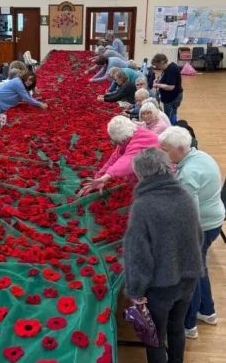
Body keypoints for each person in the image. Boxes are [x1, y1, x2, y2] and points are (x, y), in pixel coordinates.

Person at [123, 148, 204, 363]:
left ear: (140, 174)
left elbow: (138, 255)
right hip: (188, 280)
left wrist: (135, 290)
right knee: (176, 328)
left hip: (160, 287)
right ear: (167, 167)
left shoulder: (143, 206)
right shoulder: (185, 196)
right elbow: (199, 236)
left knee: (155, 339)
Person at [159, 127, 225, 339]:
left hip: (202, 225)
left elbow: (190, 216)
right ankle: (207, 311)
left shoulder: (188, 174)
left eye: (165, 149)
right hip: (214, 219)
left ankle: (189, 325)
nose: (162, 152)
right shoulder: (201, 156)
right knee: (200, 267)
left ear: (179, 149)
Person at [78, 116, 159, 196]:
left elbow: (128, 160)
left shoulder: (142, 138)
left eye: (116, 141)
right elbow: (115, 158)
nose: (116, 143)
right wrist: (99, 177)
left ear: (122, 139)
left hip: (158, 178)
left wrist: (107, 176)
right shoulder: (128, 136)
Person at [151, 53, 184, 125]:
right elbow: (165, 79)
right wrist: (158, 81)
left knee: (169, 117)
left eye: (157, 65)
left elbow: (171, 86)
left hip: (173, 97)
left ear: (162, 62)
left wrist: (158, 85)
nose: (157, 67)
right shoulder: (167, 68)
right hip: (170, 97)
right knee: (172, 115)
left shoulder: (171, 69)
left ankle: (172, 129)